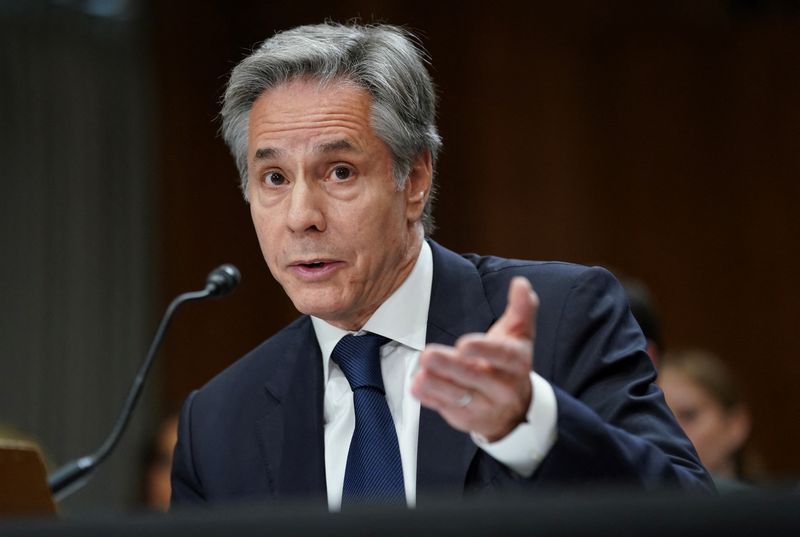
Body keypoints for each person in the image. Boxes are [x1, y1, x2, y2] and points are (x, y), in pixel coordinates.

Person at [171, 22, 711, 510]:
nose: (301, 217)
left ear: (416, 179)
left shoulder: (564, 319)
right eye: (274, 179)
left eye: (339, 171)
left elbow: (696, 523)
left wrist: (528, 423)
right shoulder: (218, 424)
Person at [657, 349, 755, 492]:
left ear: (735, 425)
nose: (669, 432)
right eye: (661, 417)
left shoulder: (779, 511)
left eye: (688, 415)